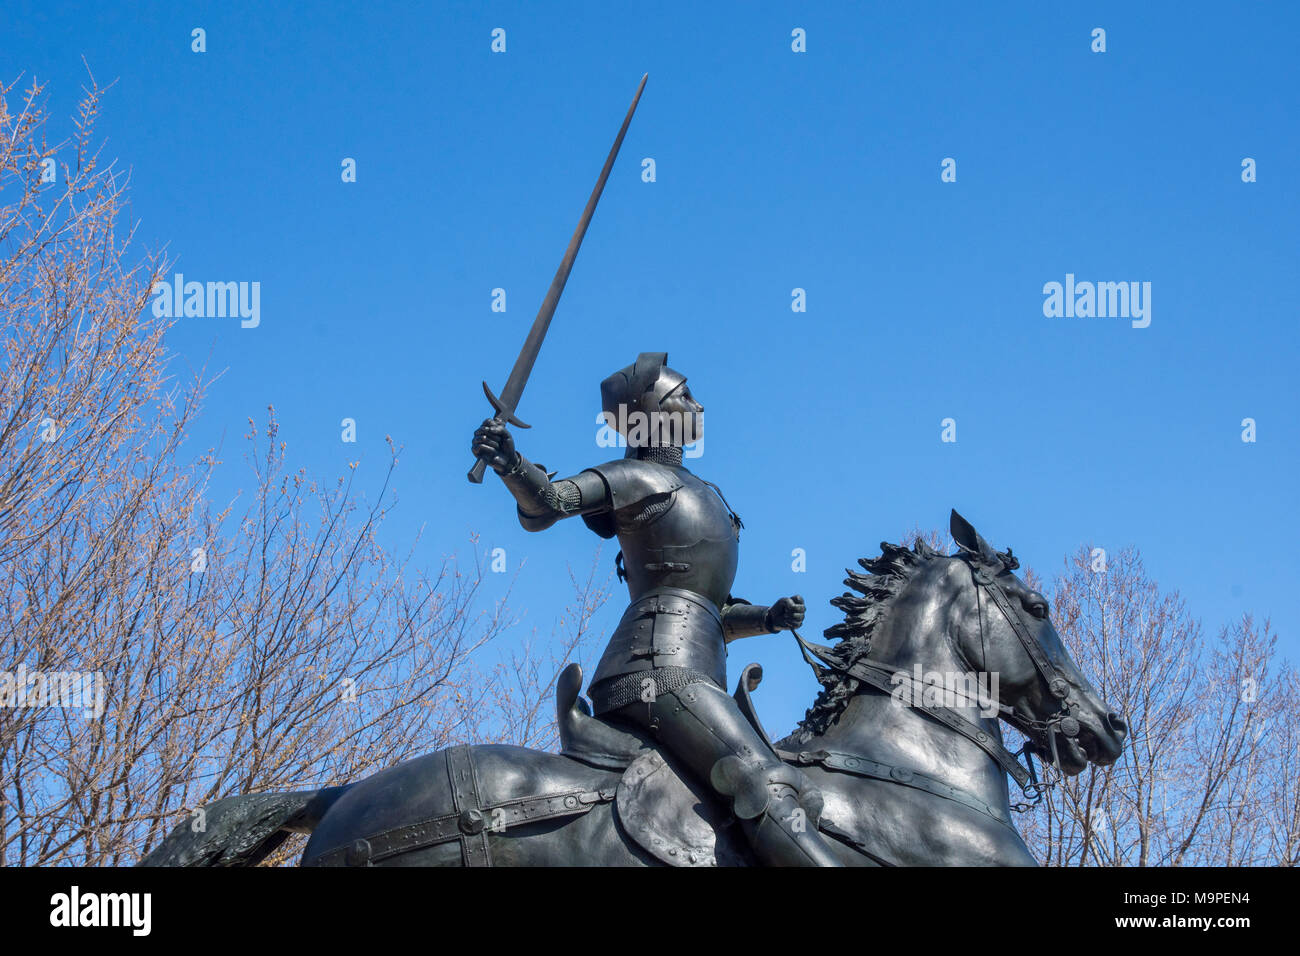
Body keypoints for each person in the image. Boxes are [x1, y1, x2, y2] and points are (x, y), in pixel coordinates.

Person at [471, 352, 841, 865]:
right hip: (656, 672)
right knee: (763, 780)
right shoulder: (634, 477)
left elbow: (707, 612)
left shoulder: (708, 493)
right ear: (652, 411)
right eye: (685, 395)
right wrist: (511, 463)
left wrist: (767, 619)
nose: (699, 405)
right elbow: (552, 502)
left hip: (697, 672)